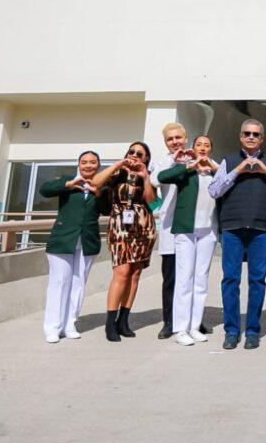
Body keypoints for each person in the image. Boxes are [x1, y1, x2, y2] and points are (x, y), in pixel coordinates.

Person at [208, 119, 266, 350]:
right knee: (231, 280)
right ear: (240, 136)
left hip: (260, 228)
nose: (251, 137)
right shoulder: (229, 160)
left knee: (257, 281)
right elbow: (214, 190)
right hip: (233, 227)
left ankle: (253, 331)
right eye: (247, 133)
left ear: (262, 138)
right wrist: (238, 170)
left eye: (256, 134)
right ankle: (232, 331)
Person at [91, 141, 158, 342]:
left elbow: (152, 199)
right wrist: (119, 164)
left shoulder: (147, 174)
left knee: (135, 273)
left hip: (143, 226)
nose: (136, 155)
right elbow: (95, 183)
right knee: (121, 272)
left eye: (140, 153)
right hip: (120, 225)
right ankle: (110, 323)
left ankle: (123, 320)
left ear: (146, 158)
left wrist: (145, 177)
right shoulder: (116, 173)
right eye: (132, 151)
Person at [156, 135, 219, 346]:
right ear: (193, 148)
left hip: (208, 231)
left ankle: (194, 325)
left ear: (211, 149)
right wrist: (188, 166)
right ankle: (180, 328)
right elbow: (162, 177)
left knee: (201, 279)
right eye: (199, 145)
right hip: (186, 230)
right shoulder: (186, 170)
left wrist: (212, 166)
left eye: (207, 145)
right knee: (184, 279)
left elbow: (229, 178)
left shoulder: (214, 170)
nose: (202, 148)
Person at [40, 150, 105, 343]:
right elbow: (45, 190)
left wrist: (99, 193)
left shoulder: (101, 184)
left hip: (87, 240)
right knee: (59, 283)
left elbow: (107, 208)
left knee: (78, 284)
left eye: (92, 162)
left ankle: (69, 323)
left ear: (98, 165)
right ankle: (53, 327)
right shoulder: (68, 180)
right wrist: (68, 185)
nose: (88, 166)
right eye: (84, 162)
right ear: (78, 164)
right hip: (63, 239)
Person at [148, 122, 189, 340]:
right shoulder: (162, 163)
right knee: (171, 279)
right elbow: (155, 180)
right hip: (170, 228)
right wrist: (174, 160)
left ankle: (191, 320)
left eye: (178, 138)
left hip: (192, 229)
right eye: (170, 139)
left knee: (189, 278)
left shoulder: (195, 159)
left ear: (186, 138)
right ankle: (169, 321)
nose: (175, 142)